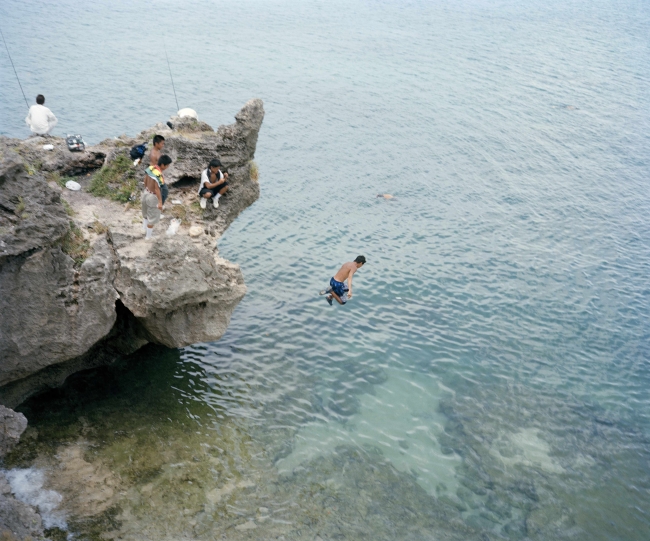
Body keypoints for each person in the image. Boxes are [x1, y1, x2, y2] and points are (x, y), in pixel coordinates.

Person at [142, 155, 172, 240]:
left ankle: (143, 229)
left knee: (146, 213)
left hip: (146, 193)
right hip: (153, 197)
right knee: (152, 218)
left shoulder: (150, 168)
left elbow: (145, 181)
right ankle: (148, 237)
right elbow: (157, 189)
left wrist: (147, 189)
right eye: (167, 165)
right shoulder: (158, 175)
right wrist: (160, 202)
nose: (167, 167)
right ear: (163, 165)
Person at [148, 135, 168, 206]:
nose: (163, 145)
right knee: (162, 192)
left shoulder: (157, 151)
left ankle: (159, 206)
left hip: (159, 175)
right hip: (156, 177)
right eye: (162, 143)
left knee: (164, 191)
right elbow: (153, 168)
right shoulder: (153, 154)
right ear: (156, 144)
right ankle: (158, 207)